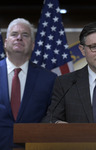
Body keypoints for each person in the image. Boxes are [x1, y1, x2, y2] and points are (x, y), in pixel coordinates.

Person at [0, 18, 57, 149]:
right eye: (14, 34)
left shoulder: (49, 79)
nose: (19, 38)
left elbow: (52, 118)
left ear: (32, 45)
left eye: (25, 35)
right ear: (5, 42)